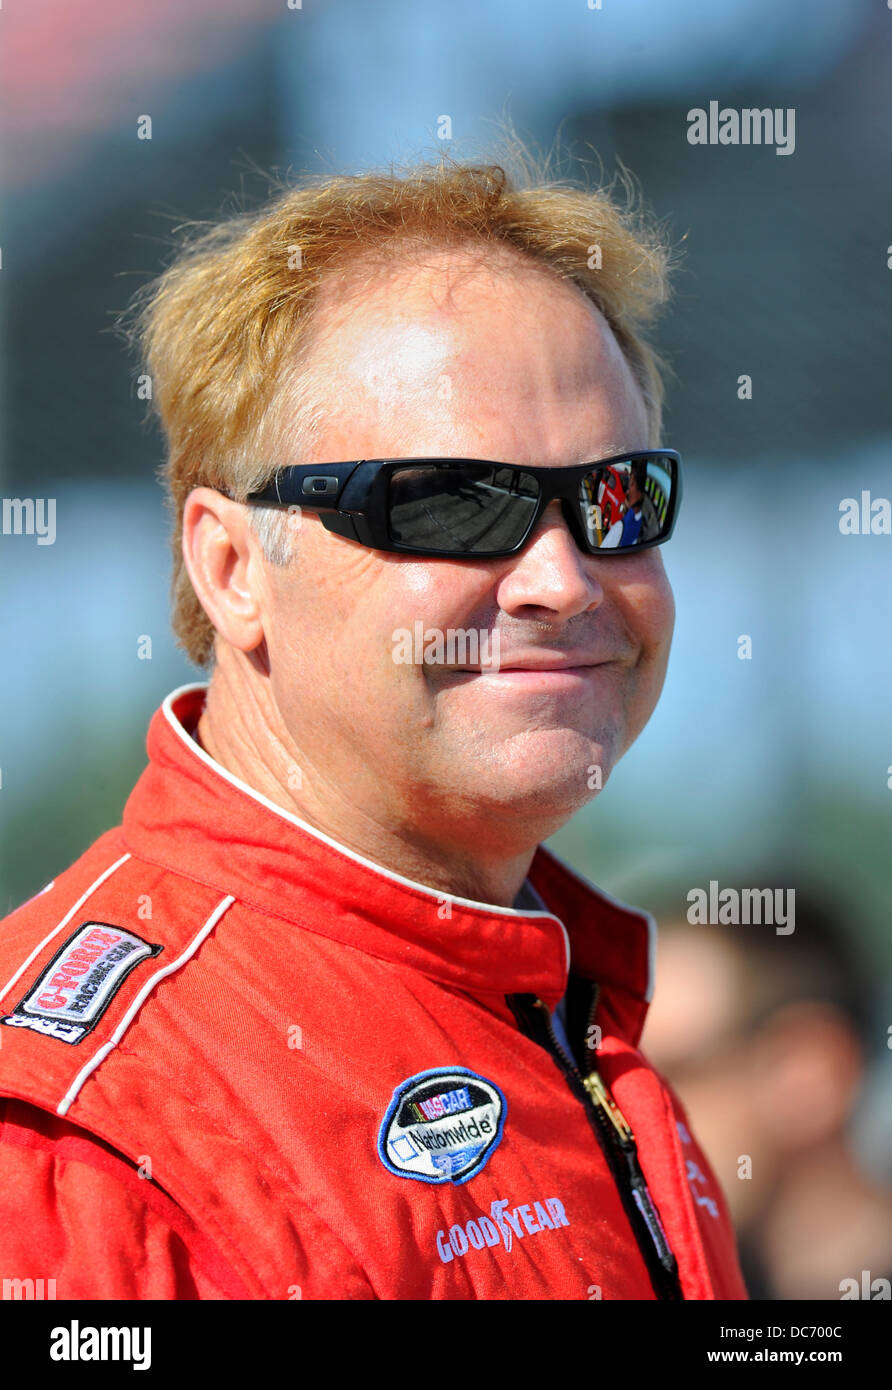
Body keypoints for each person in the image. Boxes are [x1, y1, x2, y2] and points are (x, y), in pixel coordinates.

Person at [0, 150, 744, 1299]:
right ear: (232, 564)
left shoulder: (569, 1002)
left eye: (616, 498)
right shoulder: (76, 1139)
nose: (561, 578)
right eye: (450, 500)